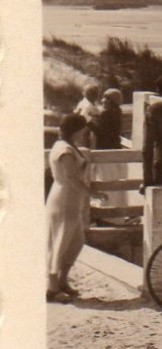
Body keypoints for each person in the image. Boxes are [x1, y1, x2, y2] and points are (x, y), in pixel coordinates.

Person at [47, 113, 102, 302]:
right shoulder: (64, 150)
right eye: (83, 129)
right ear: (76, 130)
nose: (85, 132)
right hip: (64, 198)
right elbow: (71, 178)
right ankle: (52, 288)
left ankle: (62, 281)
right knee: (60, 242)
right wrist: (93, 194)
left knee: (76, 241)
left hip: (71, 199)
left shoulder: (69, 147)